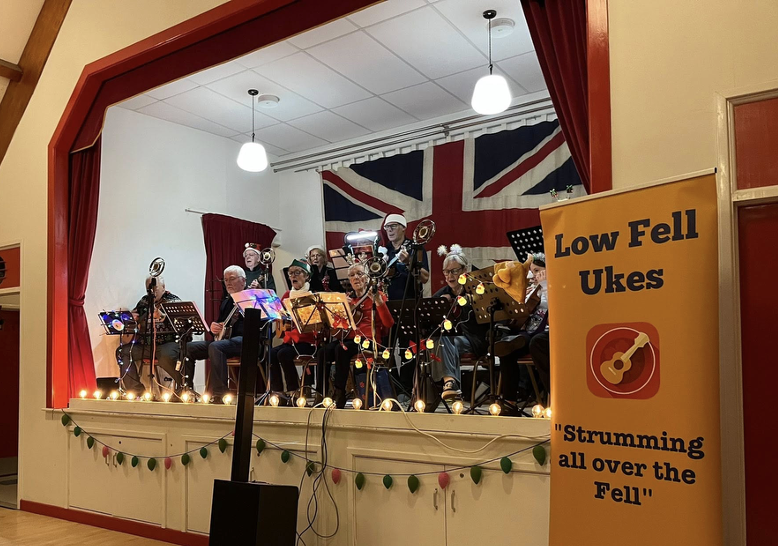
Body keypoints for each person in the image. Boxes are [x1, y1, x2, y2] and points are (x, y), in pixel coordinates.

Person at [327, 262, 394, 409]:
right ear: (349, 280)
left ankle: (340, 393)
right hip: (351, 340)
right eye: (352, 275)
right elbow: (340, 331)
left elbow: (389, 324)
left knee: (341, 350)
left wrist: (379, 302)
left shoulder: (377, 295)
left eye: (360, 274)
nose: (356, 278)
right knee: (324, 351)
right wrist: (343, 311)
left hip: (370, 341)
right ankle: (323, 393)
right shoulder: (349, 300)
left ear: (367, 277)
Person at [433, 245, 489, 401]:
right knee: (435, 341)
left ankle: (450, 384)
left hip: (474, 339)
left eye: (454, 271)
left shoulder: (477, 290)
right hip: (450, 340)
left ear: (464, 270)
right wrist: (441, 308)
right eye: (446, 272)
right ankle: (436, 390)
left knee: (444, 340)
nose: (450, 276)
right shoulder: (442, 294)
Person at [116, 276, 187, 395]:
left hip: (168, 343)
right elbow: (135, 316)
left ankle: (183, 386)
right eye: (149, 288)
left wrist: (161, 315)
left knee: (165, 356)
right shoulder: (144, 301)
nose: (152, 291)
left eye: (155, 287)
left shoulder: (173, 300)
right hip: (146, 345)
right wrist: (132, 319)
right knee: (123, 352)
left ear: (163, 287)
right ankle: (137, 391)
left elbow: (180, 324)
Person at [186, 265, 247, 401]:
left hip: (246, 341)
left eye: (232, 279)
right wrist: (214, 328)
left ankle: (220, 394)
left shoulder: (250, 299)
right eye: (225, 280)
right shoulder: (226, 302)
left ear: (243, 281)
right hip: (226, 342)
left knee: (215, 347)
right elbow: (221, 325)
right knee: (188, 347)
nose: (228, 283)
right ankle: (187, 390)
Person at [500, 253, 550, 409]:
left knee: (537, 342)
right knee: (506, 346)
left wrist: (545, 286)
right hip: (528, 332)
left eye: (537, 271)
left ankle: (552, 396)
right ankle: (509, 402)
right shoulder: (531, 291)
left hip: (547, 333)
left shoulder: (552, 288)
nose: (532, 275)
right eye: (531, 271)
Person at [267, 259, 316, 401]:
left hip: (308, 342)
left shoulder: (311, 296)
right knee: (271, 353)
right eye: (291, 273)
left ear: (306, 276)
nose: (293, 276)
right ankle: (278, 391)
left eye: (297, 273)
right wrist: (279, 315)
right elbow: (279, 319)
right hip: (290, 340)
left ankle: (293, 391)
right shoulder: (287, 295)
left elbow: (315, 324)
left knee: (283, 354)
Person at [382, 213, 429, 301]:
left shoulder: (416, 248)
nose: (389, 229)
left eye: (393, 226)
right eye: (387, 227)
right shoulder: (384, 250)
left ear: (403, 227)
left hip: (411, 303)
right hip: (387, 303)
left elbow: (425, 278)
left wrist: (409, 262)